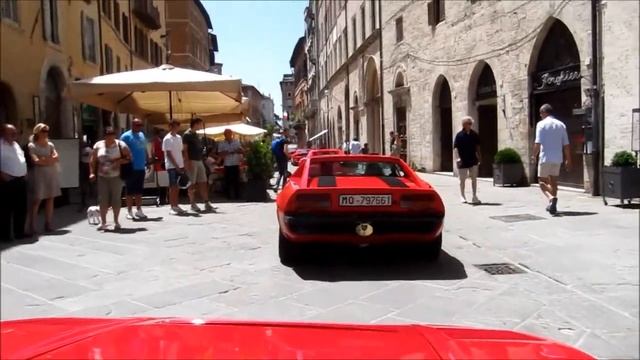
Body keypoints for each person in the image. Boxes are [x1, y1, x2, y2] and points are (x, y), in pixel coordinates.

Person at [532, 103, 571, 215]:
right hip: (557, 157)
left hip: (545, 157)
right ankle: (552, 206)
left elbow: (537, 142)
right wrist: (568, 159)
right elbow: (566, 145)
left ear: (544, 112)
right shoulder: (561, 125)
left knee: (541, 181)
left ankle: (551, 198)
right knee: (553, 181)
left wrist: (533, 155)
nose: (540, 115)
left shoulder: (541, 124)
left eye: (540, 113)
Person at [89, 127, 131, 231]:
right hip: (102, 176)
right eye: (108, 135)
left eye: (112, 135)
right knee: (103, 199)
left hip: (116, 176)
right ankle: (103, 222)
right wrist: (91, 173)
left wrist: (118, 162)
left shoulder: (121, 145)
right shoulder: (98, 145)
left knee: (116, 199)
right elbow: (93, 160)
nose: (110, 137)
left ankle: (116, 221)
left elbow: (129, 158)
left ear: (115, 135)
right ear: (105, 136)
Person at [27, 123, 61, 233]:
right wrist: (48, 160)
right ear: (37, 132)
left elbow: (56, 157)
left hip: (51, 173)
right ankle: (32, 225)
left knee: (50, 198)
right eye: (43, 131)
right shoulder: (32, 145)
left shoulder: (50, 145)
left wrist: (44, 160)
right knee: (37, 199)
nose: (46, 133)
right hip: (39, 175)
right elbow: (35, 161)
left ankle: (48, 223)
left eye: (47, 131)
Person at [0, 124, 29, 241]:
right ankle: (4, 235)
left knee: (21, 208)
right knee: (5, 210)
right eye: (11, 132)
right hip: (7, 181)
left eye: (15, 132)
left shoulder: (16, 144)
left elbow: (21, 159)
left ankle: (19, 233)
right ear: (3, 133)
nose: (14, 135)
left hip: (20, 180)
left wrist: (25, 172)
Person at [182, 118, 214, 212]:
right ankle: (192, 203)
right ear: (195, 124)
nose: (201, 126)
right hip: (192, 161)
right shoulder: (187, 135)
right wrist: (187, 162)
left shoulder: (196, 135)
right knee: (192, 183)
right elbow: (185, 149)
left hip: (199, 160)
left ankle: (206, 202)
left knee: (203, 182)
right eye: (200, 124)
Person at [120, 118, 149, 220]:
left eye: (140, 125)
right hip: (130, 166)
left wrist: (148, 159)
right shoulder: (125, 136)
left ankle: (139, 210)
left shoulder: (141, 135)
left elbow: (144, 148)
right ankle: (129, 211)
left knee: (139, 190)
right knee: (129, 190)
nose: (139, 127)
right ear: (132, 125)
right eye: (137, 125)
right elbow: (121, 151)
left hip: (141, 166)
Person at [454, 116, 481, 204]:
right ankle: (462, 196)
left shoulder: (474, 134)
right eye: (468, 123)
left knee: (474, 178)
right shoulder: (459, 135)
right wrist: (457, 158)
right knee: (462, 179)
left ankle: (474, 196)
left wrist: (479, 157)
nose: (470, 125)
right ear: (464, 124)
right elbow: (455, 148)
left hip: (473, 159)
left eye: (471, 123)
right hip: (462, 160)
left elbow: (477, 146)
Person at [163, 120, 186, 215]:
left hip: (180, 165)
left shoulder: (179, 137)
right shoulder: (167, 139)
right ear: (170, 127)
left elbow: (180, 151)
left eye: (177, 126)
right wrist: (176, 166)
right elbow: (168, 154)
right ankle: (172, 206)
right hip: (172, 166)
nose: (176, 128)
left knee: (177, 186)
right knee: (172, 186)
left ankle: (176, 205)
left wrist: (182, 164)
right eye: (174, 126)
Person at [218, 129, 244, 200]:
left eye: (230, 133)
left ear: (232, 134)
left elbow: (241, 150)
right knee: (228, 181)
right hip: (227, 164)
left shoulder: (236, 142)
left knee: (236, 180)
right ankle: (228, 195)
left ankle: (237, 195)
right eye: (227, 134)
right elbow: (220, 153)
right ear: (224, 135)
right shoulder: (222, 143)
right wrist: (226, 153)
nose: (228, 135)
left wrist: (236, 151)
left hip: (235, 163)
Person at [79, 139, 94, 211]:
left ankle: (88, 192)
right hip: (86, 164)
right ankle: (90, 192)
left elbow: (87, 154)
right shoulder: (88, 149)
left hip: (86, 164)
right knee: (87, 181)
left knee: (85, 181)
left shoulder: (87, 149)